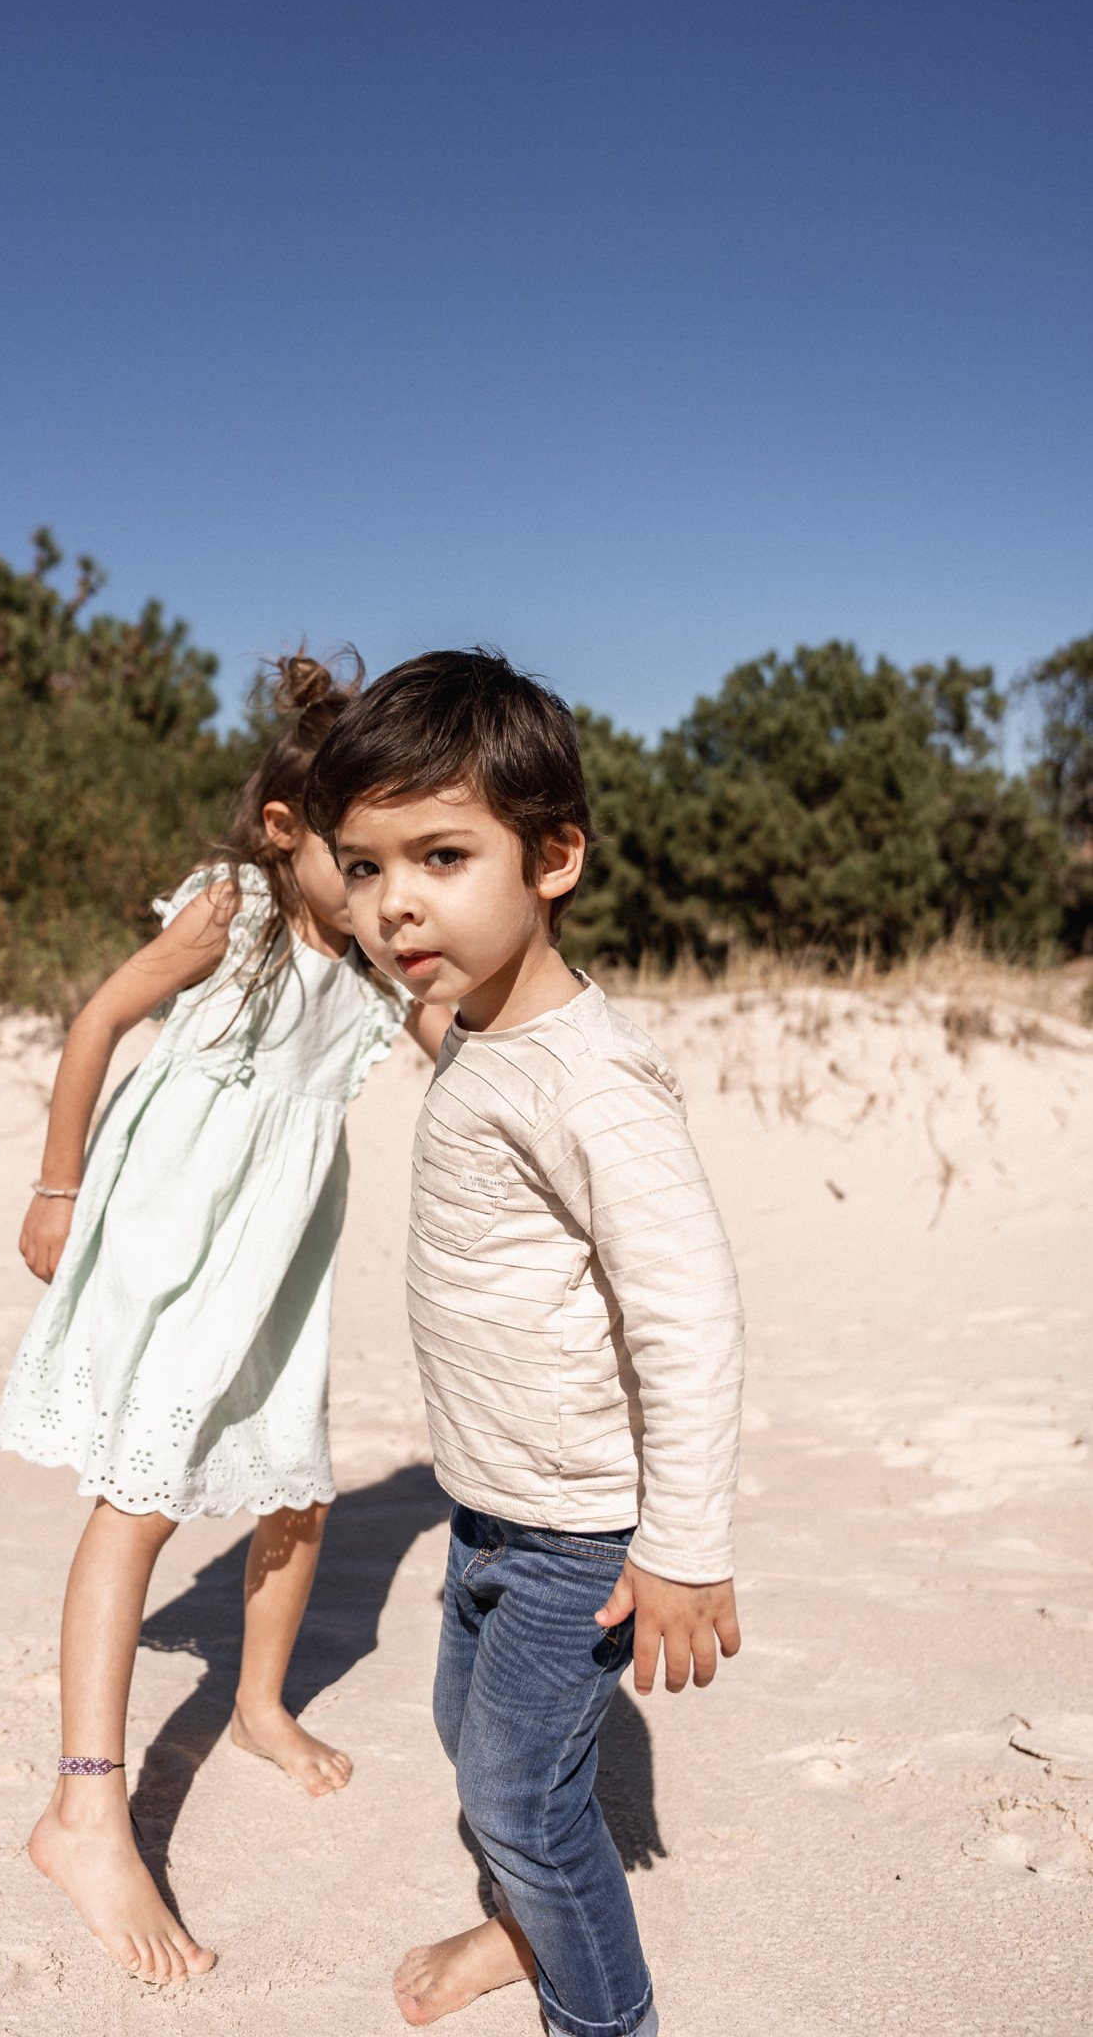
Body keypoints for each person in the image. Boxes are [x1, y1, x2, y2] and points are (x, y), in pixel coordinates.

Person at [0, 651, 451, 1987]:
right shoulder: (230, 916)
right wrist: (55, 1186)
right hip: (161, 1242)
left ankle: (253, 1704)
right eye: (356, 863)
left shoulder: (373, 967)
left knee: (293, 1486)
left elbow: (460, 1056)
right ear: (283, 831)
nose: (378, 895)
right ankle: (83, 1807)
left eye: (396, 867)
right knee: (139, 1498)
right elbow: (95, 1025)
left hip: (275, 1260)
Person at [304, 650, 744, 2037]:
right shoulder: (474, 1023)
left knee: (517, 1798)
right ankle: (519, 1924)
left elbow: (688, 1315)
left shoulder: (593, 1084)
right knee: (471, 1745)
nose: (394, 903)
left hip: (578, 1539)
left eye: (440, 855)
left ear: (552, 856)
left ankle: (600, 2017)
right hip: (486, 1508)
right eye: (365, 868)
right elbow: (425, 988)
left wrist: (682, 1546)